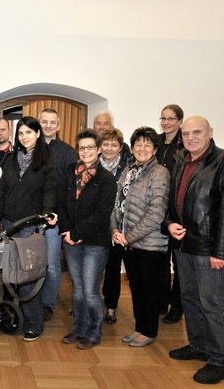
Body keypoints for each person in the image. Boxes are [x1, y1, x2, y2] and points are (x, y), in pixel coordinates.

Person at [166, 116, 224, 385]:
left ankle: (220, 361)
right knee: (190, 298)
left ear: (211, 133)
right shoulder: (181, 161)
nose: (191, 137)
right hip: (184, 245)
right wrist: (170, 223)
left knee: (213, 304)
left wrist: (221, 253)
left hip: (210, 250)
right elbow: (175, 201)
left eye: (197, 132)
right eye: (186, 133)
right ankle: (198, 345)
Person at [0, 116, 58, 342]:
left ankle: (33, 324)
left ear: (38, 134)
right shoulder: (10, 159)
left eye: (29, 132)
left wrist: (46, 216)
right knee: (8, 274)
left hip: (30, 226)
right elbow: (1, 192)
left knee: (27, 278)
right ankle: (9, 316)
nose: (24, 136)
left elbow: (49, 191)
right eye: (21, 133)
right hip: (7, 224)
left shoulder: (48, 160)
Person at [57, 129, 117, 350]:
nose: (86, 151)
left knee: (91, 291)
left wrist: (76, 233)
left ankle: (93, 332)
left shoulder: (107, 179)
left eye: (90, 147)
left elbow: (102, 215)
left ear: (99, 149)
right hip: (70, 239)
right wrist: (67, 231)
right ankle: (78, 329)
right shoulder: (70, 172)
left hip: (95, 242)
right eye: (82, 148)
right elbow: (61, 203)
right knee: (78, 288)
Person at [111, 127, 170, 348]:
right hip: (129, 243)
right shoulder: (129, 170)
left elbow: (156, 213)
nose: (142, 148)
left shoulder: (160, 173)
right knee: (136, 288)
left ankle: (149, 331)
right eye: (138, 144)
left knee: (149, 291)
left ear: (155, 149)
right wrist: (114, 230)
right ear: (132, 147)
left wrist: (128, 237)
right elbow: (117, 204)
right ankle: (140, 328)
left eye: (147, 144)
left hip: (150, 244)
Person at [38, 108, 78, 321]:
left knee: (52, 265)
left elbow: (72, 186)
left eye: (52, 122)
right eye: (44, 122)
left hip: (54, 218)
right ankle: (31, 300)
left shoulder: (68, 151)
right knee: (32, 263)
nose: (48, 126)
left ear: (59, 125)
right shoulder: (31, 148)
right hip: (32, 217)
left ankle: (47, 304)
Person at [156, 104, 185, 324]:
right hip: (157, 209)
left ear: (179, 121)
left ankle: (177, 306)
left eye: (171, 119)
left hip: (176, 210)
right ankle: (161, 301)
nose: (166, 123)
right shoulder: (155, 142)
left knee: (179, 261)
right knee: (160, 260)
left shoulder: (185, 145)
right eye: (163, 118)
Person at [98, 128, 127, 325]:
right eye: (106, 144)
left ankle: (111, 306)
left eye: (113, 144)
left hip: (116, 228)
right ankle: (86, 303)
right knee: (90, 269)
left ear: (120, 148)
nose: (109, 148)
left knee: (113, 268)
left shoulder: (126, 170)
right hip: (93, 227)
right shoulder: (89, 166)